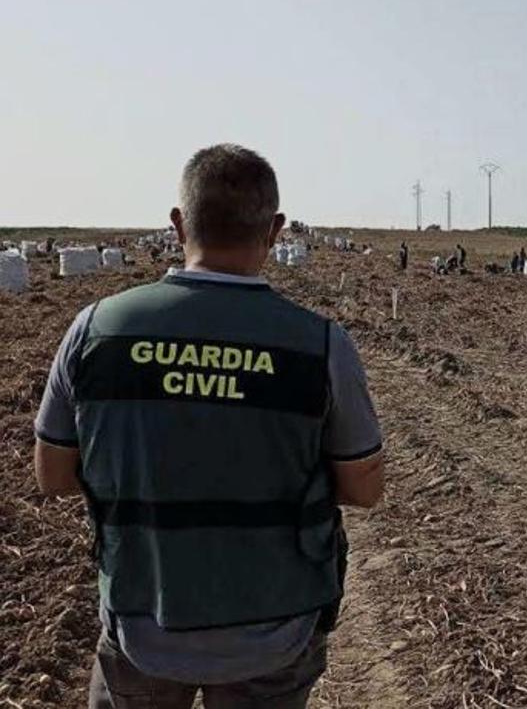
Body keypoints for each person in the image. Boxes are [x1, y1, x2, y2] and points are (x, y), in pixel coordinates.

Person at [34, 144, 384, 709]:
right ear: (275, 230)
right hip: (277, 632)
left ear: (177, 223)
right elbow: (364, 488)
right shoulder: (321, 345)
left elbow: (53, 475)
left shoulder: (95, 330)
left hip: (141, 624)